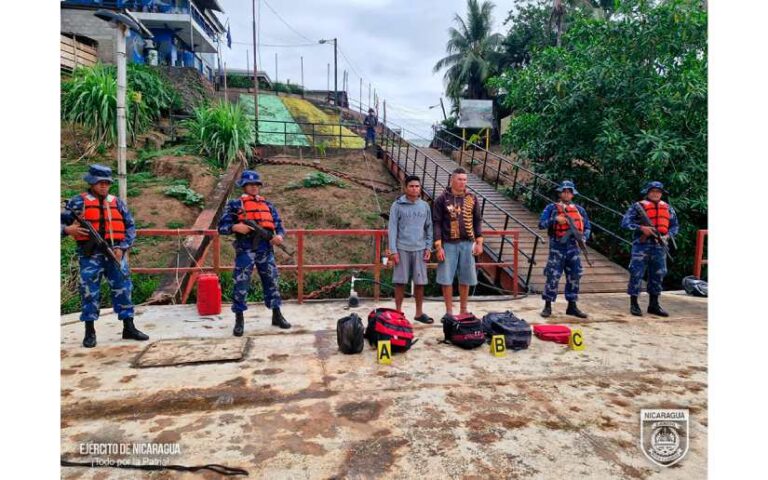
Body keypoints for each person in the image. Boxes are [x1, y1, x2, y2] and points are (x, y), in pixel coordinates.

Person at [61, 164, 149, 348]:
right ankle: (89, 331)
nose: (103, 186)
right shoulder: (79, 202)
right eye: (99, 182)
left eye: (106, 183)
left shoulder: (117, 202)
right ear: (91, 183)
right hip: (90, 255)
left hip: (115, 253)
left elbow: (130, 227)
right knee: (89, 292)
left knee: (124, 288)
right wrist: (68, 229)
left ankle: (129, 327)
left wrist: (123, 247)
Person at [218, 170, 291, 335]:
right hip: (245, 249)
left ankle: (277, 314)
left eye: (256, 184)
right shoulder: (235, 205)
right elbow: (221, 227)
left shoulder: (268, 205)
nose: (254, 187)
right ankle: (239, 319)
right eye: (250, 185)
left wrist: (278, 236)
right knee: (241, 283)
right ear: (243, 186)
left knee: (272, 281)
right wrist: (235, 227)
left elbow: (279, 225)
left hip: (265, 249)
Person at [621, 181, 679, 317]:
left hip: (659, 246)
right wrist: (641, 228)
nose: (655, 194)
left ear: (661, 194)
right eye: (652, 191)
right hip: (641, 246)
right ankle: (634, 304)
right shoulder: (637, 207)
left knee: (658, 274)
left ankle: (654, 304)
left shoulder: (668, 208)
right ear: (647, 192)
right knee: (636, 273)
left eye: (658, 192)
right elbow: (625, 222)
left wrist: (668, 236)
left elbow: (675, 226)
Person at [432, 167, 483, 321]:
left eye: (465, 180)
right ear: (452, 180)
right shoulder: (441, 199)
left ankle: (463, 310)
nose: (463, 182)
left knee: (466, 278)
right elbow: (437, 223)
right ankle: (448, 312)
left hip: (467, 243)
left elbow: (477, 220)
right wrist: (438, 246)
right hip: (448, 243)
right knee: (446, 278)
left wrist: (479, 242)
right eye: (460, 179)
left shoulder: (472, 198)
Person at [538, 180, 591, 318]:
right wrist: (555, 220)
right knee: (553, 275)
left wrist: (584, 237)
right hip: (557, 247)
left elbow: (587, 227)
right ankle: (548, 306)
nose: (566, 194)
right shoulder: (552, 208)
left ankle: (572, 306)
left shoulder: (580, 210)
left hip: (574, 247)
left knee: (575, 275)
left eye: (569, 192)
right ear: (560, 193)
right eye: (564, 191)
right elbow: (541, 224)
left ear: (573, 194)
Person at [387, 175, 434, 324]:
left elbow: (429, 228)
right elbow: (392, 228)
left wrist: (428, 247)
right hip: (402, 249)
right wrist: (393, 251)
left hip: (420, 249)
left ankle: (419, 313)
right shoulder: (397, 205)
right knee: (400, 282)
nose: (414, 189)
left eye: (417, 186)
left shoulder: (425, 206)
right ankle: (398, 312)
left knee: (420, 283)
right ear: (405, 188)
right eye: (411, 186)